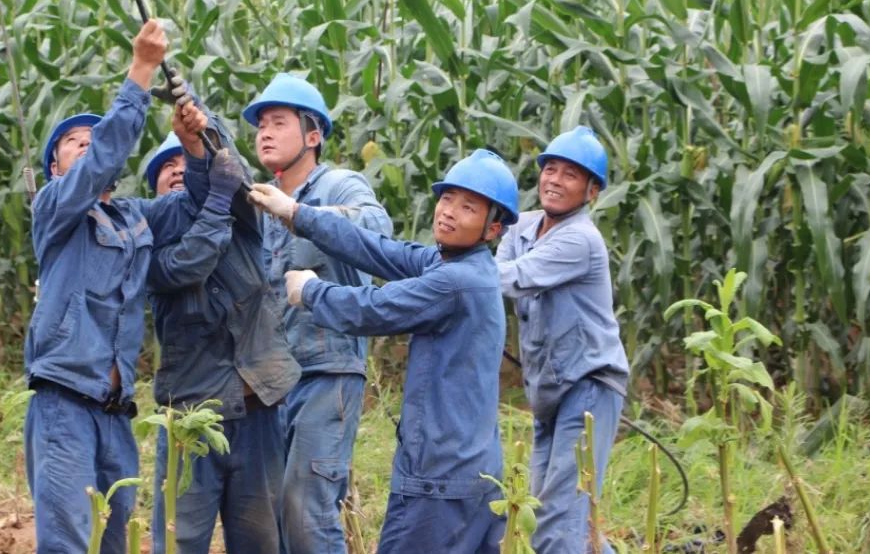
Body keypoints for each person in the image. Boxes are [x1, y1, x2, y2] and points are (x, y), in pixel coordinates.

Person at [250, 148, 518, 554]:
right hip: (474, 469)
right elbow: (378, 250)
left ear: (493, 229)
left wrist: (311, 291)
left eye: (468, 208)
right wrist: (297, 214)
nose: (449, 212)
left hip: (439, 476)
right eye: (447, 199)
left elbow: (375, 308)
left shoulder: (455, 282)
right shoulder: (456, 265)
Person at [24, 19, 207, 553]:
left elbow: (194, 205)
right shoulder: (55, 208)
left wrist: (195, 149)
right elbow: (103, 157)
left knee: (114, 540)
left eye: (93, 138)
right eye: (74, 143)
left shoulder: (133, 217)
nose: (88, 146)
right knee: (67, 541)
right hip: (64, 403)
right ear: (55, 168)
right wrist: (143, 68)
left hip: (115, 412)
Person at [240, 73, 392, 553]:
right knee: (280, 517)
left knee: (306, 510)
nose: (265, 133)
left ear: (313, 135)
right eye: (261, 125)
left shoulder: (339, 185)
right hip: (276, 381)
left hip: (329, 372)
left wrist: (297, 212)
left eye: (278, 122)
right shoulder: (259, 201)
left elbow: (376, 228)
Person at [146, 108, 302, 553]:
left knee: (260, 541)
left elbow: (231, 173)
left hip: (258, 415)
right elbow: (190, 263)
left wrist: (200, 130)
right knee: (179, 541)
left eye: (186, 162)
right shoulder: (151, 252)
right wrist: (211, 196)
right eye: (167, 169)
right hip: (190, 419)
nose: (179, 172)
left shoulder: (245, 226)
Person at [494, 126, 629, 554]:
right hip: (549, 390)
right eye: (550, 169)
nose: (555, 180)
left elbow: (508, 277)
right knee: (554, 515)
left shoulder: (580, 240)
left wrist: (434, 276)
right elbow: (493, 268)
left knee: (558, 521)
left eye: (571, 175)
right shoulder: (521, 227)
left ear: (592, 191)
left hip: (589, 387)